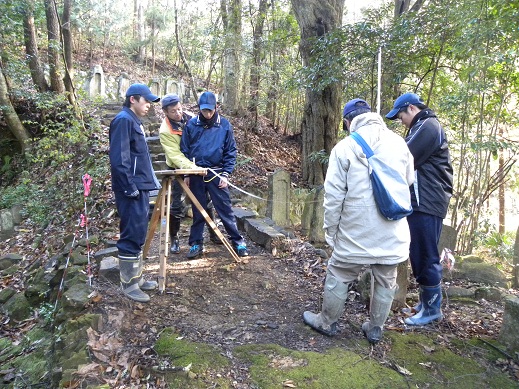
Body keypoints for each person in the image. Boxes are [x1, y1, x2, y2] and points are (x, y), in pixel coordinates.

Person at [303, 98, 414, 343]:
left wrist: (331, 231)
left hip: (355, 230)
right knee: (386, 277)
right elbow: (407, 181)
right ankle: (375, 328)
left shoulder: (345, 148)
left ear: (347, 121)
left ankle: (327, 321)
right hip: (392, 227)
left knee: (340, 272)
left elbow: (333, 197)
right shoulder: (399, 143)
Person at [386, 92, 453, 326]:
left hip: (428, 201)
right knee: (418, 252)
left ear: (411, 109)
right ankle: (426, 303)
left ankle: (433, 309)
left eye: (401, 116)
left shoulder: (428, 126)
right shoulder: (421, 127)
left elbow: (405, 156)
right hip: (420, 201)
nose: (401, 121)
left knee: (426, 254)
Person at [180, 91, 249, 259]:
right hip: (196, 173)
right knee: (198, 210)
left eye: (210, 110)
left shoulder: (224, 125)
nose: (208, 114)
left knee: (224, 209)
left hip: (217, 173)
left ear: (216, 107)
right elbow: (185, 150)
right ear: (199, 109)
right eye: (204, 110)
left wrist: (226, 173)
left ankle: (238, 241)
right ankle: (196, 243)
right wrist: (187, 174)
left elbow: (230, 151)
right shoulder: (191, 125)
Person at [109, 83, 161, 303]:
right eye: (145, 101)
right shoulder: (123, 120)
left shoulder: (133, 121)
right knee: (131, 233)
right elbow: (119, 159)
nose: (148, 105)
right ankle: (129, 284)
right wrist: (129, 187)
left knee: (139, 231)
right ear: (133, 99)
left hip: (139, 186)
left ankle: (137, 278)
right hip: (130, 188)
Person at [158, 94, 216, 255]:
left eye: (179, 109)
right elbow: (175, 156)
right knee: (177, 204)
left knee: (206, 199)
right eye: (173, 111)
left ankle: (213, 231)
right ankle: (174, 238)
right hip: (179, 168)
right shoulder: (165, 131)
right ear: (165, 112)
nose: (178, 113)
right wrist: (192, 168)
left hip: (197, 165)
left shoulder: (191, 118)